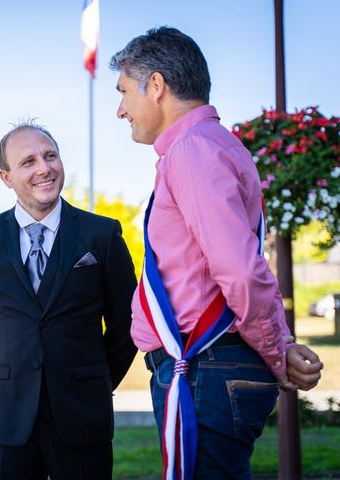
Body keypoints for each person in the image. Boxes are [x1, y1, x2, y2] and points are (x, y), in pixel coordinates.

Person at [110, 26, 324, 479]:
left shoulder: (192, 152)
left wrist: (275, 350)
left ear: (156, 85)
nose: (120, 109)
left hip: (207, 369)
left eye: (124, 91)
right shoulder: (209, 146)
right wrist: (279, 344)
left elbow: (240, 272)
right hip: (210, 366)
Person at [0, 120, 138, 480]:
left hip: (83, 412)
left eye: (50, 156)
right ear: (6, 177)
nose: (43, 168)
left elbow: (126, 324)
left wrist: (94, 381)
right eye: (28, 161)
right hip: (8, 416)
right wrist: (1, 376)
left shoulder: (103, 234)